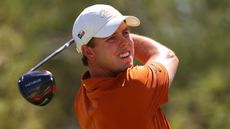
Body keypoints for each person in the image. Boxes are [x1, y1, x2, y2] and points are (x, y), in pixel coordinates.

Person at [72, 4, 179, 129]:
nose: (125, 42)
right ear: (89, 52)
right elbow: (168, 56)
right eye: (111, 38)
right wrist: (125, 37)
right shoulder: (135, 84)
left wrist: (112, 38)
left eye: (125, 33)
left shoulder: (82, 99)